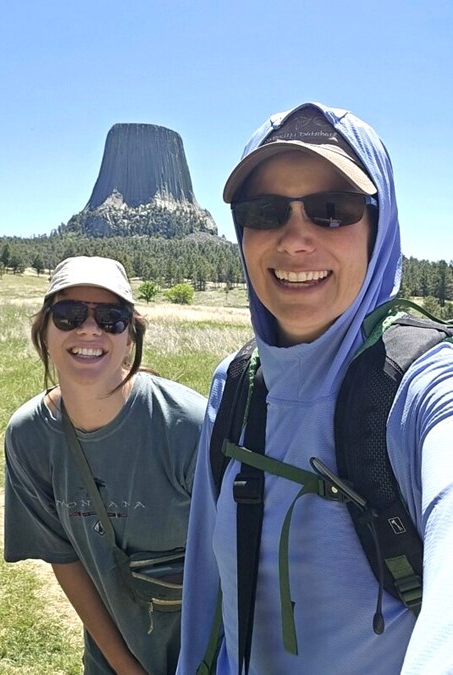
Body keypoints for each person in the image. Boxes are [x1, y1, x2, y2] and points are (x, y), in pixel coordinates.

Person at [177, 103, 453, 674]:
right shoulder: (235, 387)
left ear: (380, 226)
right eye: (265, 210)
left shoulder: (425, 389)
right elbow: (206, 599)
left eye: (333, 209)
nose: (296, 240)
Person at [4, 255, 207, 674]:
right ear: (43, 331)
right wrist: (123, 665)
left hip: (210, 653)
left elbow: (241, 554)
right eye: (69, 314)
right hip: (112, 658)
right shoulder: (29, 437)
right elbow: (66, 560)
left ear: (130, 337)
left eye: (112, 317)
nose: (89, 329)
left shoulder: (187, 425)